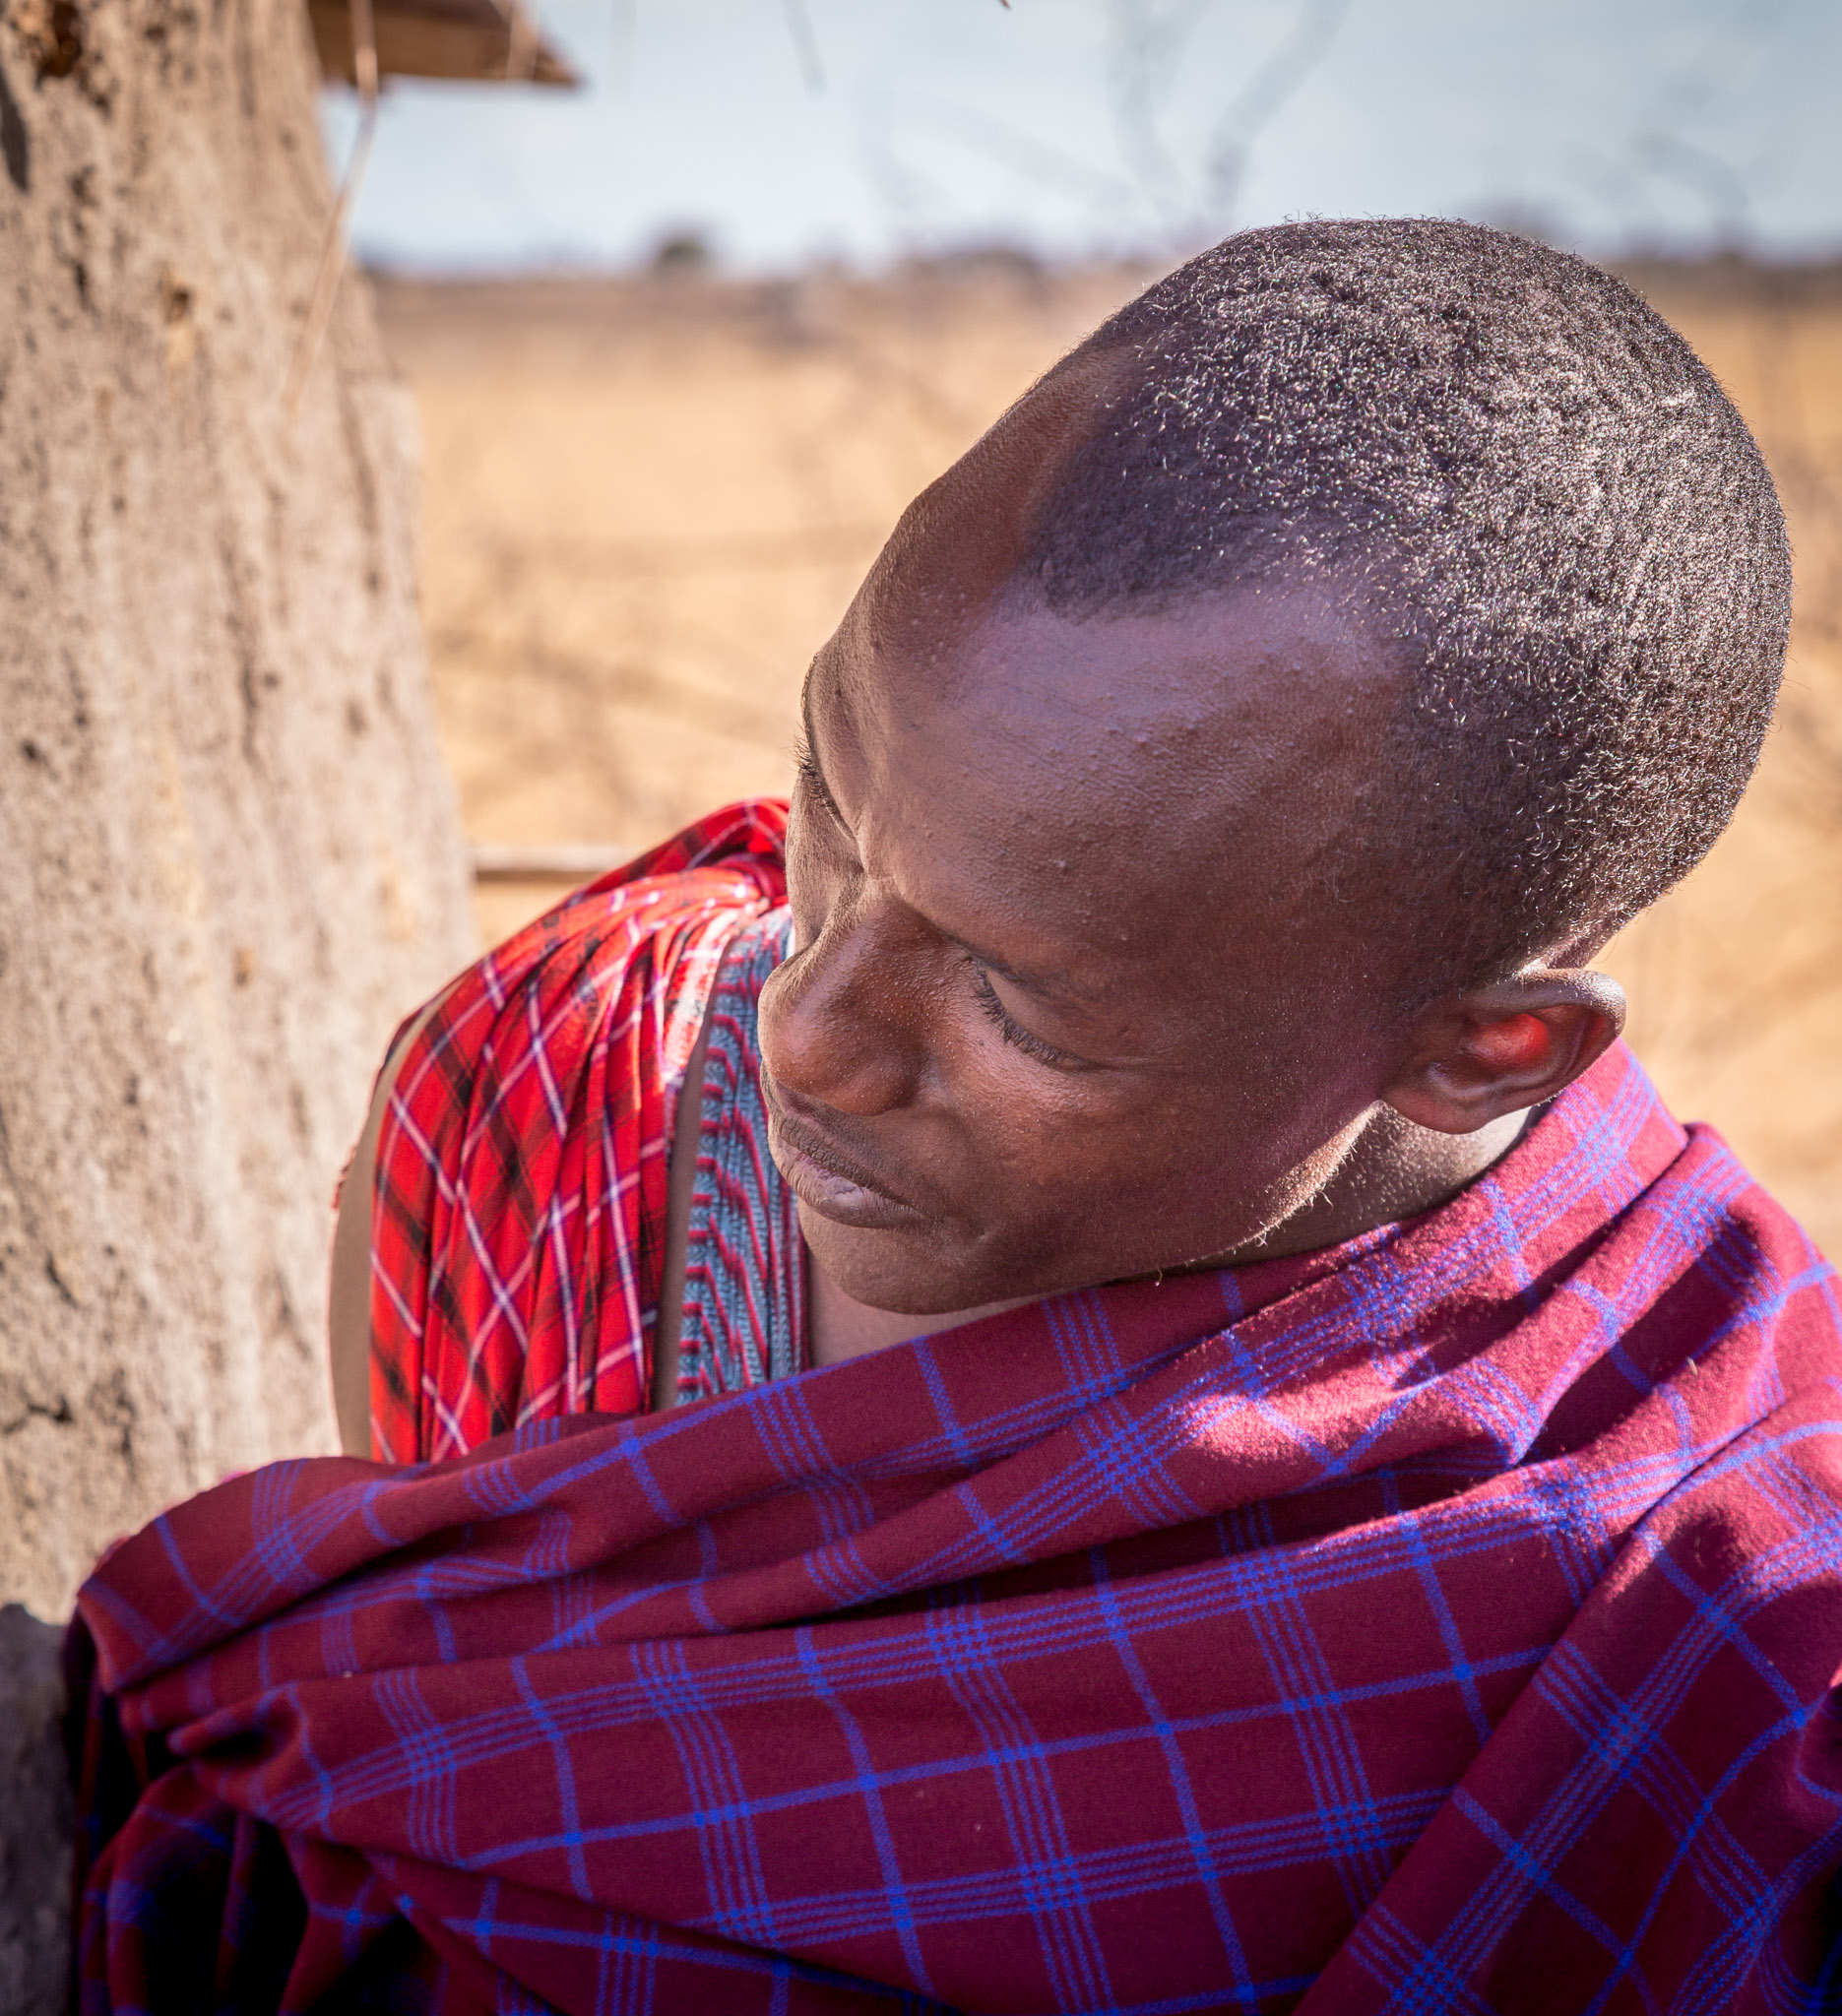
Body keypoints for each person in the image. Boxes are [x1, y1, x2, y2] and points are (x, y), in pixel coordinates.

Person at [69, 220, 1842, 2015]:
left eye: (1020, 1000)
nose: (808, 1033)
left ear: (1481, 1049)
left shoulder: (1730, 1617)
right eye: (830, 799)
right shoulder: (571, 1080)